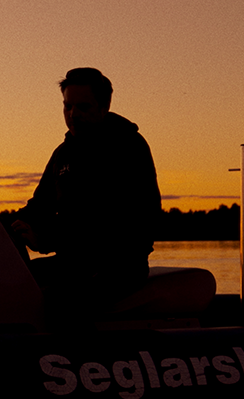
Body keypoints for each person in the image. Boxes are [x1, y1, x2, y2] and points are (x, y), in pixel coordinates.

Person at [11, 68, 161, 324]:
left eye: (82, 107)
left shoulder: (128, 148)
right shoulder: (63, 154)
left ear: (104, 107)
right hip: (73, 263)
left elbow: (108, 222)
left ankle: (69, 360)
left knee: (62, 300)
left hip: (119, 267)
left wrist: (44, 240)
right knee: (8, 284)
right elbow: (39, 206)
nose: (73, 115)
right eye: (67, 107)